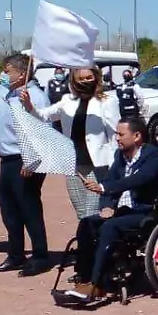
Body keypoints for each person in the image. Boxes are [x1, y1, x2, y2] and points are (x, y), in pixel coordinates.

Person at [69, 117, 158, 302]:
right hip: (121, 211)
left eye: (121, 134)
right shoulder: (120, 157)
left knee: (110, 227)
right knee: (87, 223)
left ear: (137, 136)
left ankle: (95, 283)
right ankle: (84, 277)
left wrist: (105, 188)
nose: (117, 138)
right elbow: (109, 181)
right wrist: (106, 205)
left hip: (145, 212)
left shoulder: (153, 156)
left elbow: (139, 179)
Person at [23, 66, 121, 220]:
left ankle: (96, 243)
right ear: (74, 80)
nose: (85, 81)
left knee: (92, 212)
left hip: (98, 166)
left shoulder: (107, 101)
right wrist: (29, 104)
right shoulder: (67, 100)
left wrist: (115, 166)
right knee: (82, 214)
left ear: (96, 78)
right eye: (81, 79)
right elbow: (43, 116)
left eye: (89, 78)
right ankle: (86, 243)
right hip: (74, 167)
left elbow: (115, 136)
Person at [0, 53, 52, 276]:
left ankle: (40, 256)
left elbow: (42, 130)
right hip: (7, 160)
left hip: (25, 160)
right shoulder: (7, 93)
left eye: (8, 71)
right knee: (9, 211)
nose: (3, 75)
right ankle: (15, 254)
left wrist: (32, 159)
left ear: (22, 74)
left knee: (29, 209)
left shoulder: (34, 96)